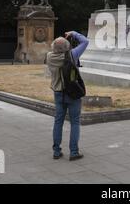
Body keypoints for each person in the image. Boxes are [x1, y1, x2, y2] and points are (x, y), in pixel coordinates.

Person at [46, 31, 89, 161]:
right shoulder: (72, 55)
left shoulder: (49, 56)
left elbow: (57, 49)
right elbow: (85, 41)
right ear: (68, 47)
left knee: (58, 121)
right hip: (73, 93)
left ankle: (56, 151)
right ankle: (74, 152)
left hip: (58, 92)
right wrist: (73, 33)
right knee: (75, 122)